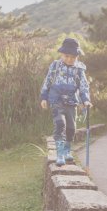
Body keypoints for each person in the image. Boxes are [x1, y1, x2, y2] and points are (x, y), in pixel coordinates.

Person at [40, 38, 93, 166]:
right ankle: (60, 153)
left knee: (71, 128)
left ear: (77, 56)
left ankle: (68, 149)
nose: (69, 59)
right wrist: (44, 97)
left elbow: (83, 86)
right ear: (62, 54)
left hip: (71, 101)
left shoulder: (79, 69)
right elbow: (47, 81)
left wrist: (85, 100)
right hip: (56, 100)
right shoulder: (56, 66)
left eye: (73, 57)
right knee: (60, 124)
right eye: (66, 56)